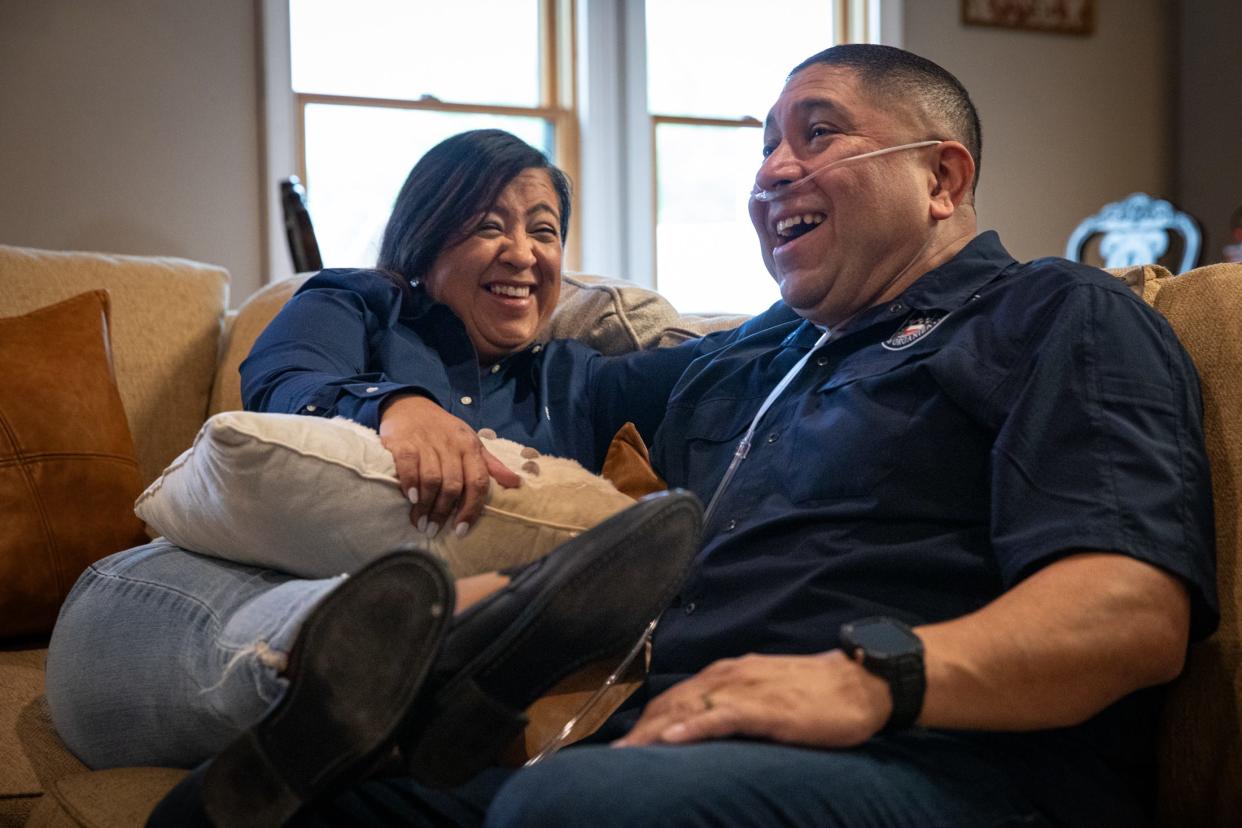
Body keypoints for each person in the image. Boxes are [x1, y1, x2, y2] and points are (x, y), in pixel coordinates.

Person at [252, 43, 1213, 826]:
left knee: (572, 811)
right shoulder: (745, 364)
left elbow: (1130, 611)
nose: (773, 170)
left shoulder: (1052, 313)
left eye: (818, 132)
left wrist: (870, 681)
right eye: (765, 148)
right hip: (678, 740)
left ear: (941, 178)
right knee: (302, 804)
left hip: (943, 759)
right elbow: (577, 467)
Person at [45, 130, 781, 823]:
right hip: (190, 593)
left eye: (545, 231)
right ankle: (401, 649)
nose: (523, 253)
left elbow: (736, 354)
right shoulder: (358, 303)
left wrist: (851, 257)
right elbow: (282, 375)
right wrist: (396, 405)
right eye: (491, 225)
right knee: (200, 619)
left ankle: (372, 690)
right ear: (426, 236)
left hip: (384, 653)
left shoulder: (576, 384)